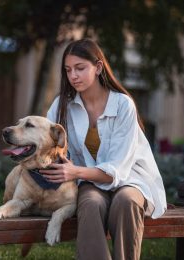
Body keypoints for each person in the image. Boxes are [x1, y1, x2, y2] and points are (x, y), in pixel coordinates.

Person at [39, 38, 167, 260]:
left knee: (125, 201)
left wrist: (76, 171)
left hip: (130, 179)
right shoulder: (62, 105)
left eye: (80, 68)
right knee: (90, 202)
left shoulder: (123, 104)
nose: (73, 76)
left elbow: (117, 170)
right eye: (68, 70)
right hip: (89, 183)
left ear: (98, 67)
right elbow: (44, 140)